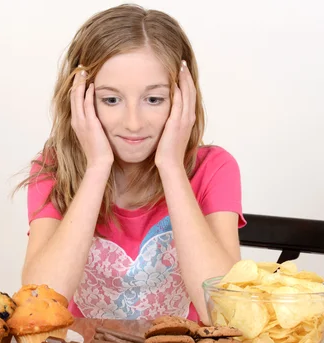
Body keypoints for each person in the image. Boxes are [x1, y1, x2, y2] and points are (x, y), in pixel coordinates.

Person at [16, 4, 246, 324]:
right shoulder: (54, 169)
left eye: (154, 99)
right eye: (111, 100)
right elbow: (38, 305)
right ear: (80, 98)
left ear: (183, 98)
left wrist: (171, 166)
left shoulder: (214, 169)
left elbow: (223, 313)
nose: (134, 123)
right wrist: (97, 167)